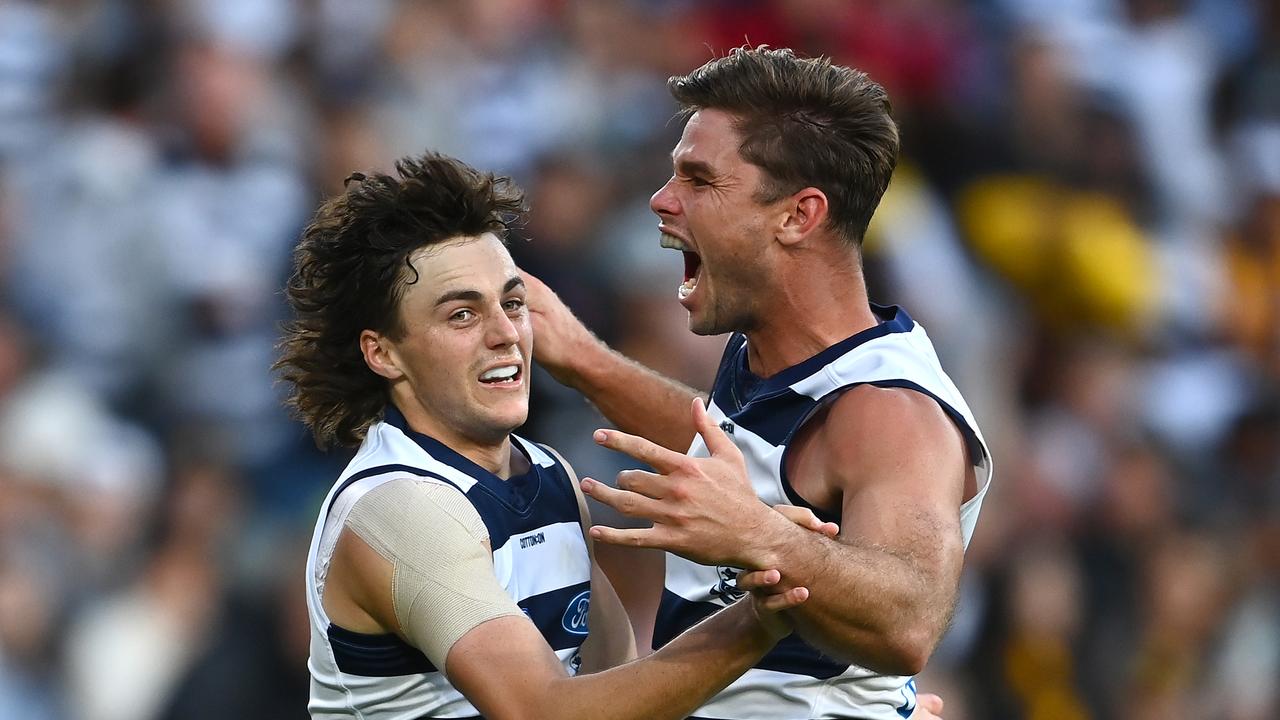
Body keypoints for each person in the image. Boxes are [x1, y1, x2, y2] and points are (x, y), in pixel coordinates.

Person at [275, 151, 861, 720]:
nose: (506, 333)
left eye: (513, 303)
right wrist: (759, 617)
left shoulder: (549, 474)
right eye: (462, 315)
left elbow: (620, 693)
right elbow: (544, 712)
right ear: (383, 353)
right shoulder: (400, 508)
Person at [524, 47, 991, 719]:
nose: (662, 199)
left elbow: (911, 618)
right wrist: (581, 358)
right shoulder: (770, 352)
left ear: (797, 216)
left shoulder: (888, 407)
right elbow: (733, 453)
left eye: (699, 180)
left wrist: (761, 536)